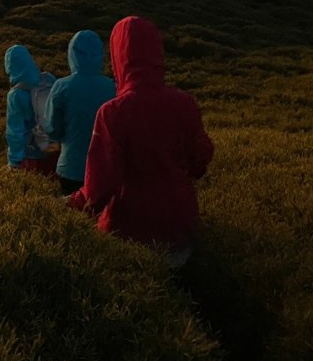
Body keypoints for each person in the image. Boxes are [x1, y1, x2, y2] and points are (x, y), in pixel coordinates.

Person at [68, 16, 213, 263]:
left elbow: (99, 188)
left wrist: (69, 205)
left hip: (129, 232)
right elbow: (201, 157)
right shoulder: (184, 104)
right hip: (180, 226)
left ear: (118, 57)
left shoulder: (113, 112)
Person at [44, 30, 116, 195]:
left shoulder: (62, 87)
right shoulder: (113, 87)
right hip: (104, 169)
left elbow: (53, 130)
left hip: (70, 168)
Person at [4, 44, 57, 175]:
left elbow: (15, 132)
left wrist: (14, 162)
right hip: (56, 151)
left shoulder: (16, 94)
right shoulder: (48, 80)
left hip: (32, 156)